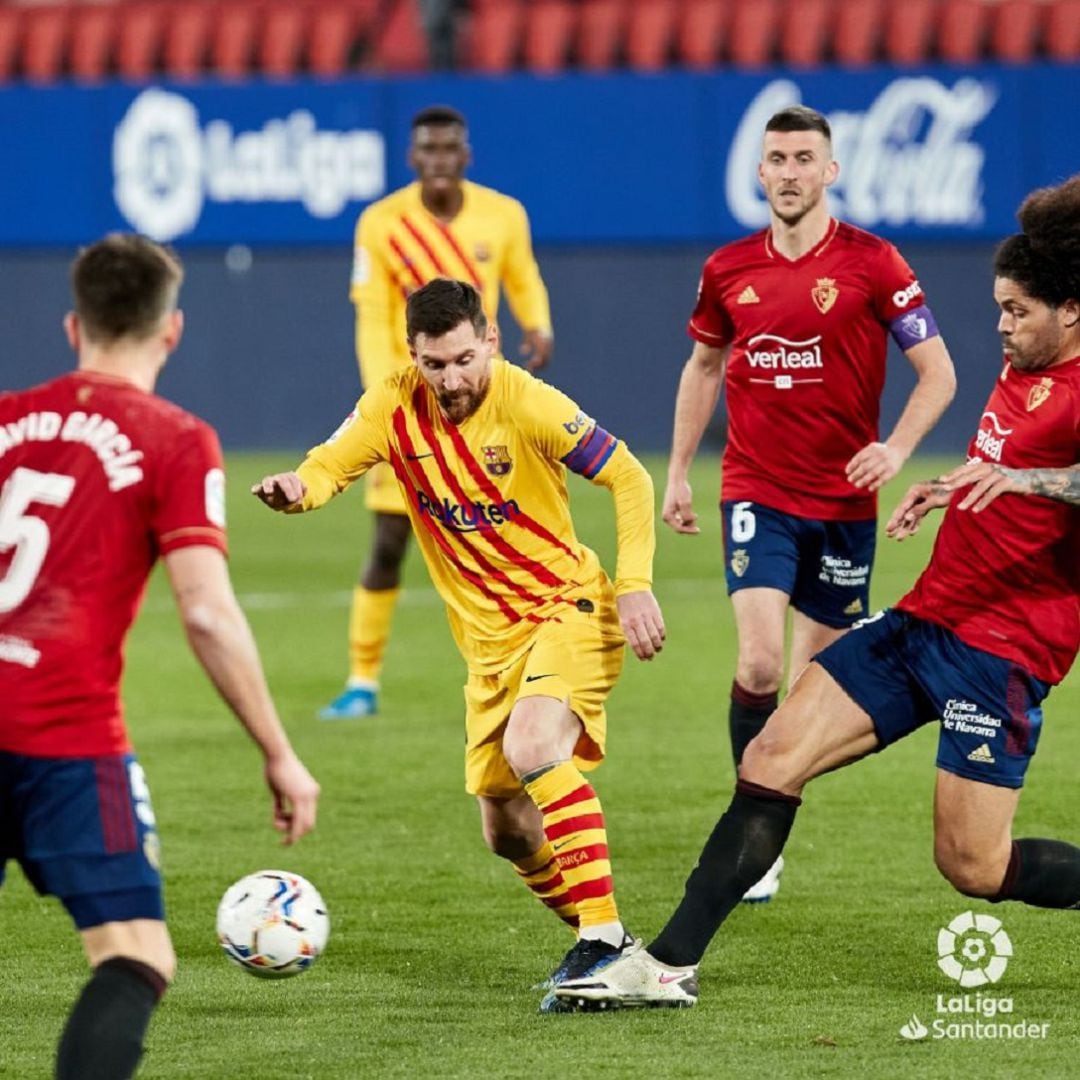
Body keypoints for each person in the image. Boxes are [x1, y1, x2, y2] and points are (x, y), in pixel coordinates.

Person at [553, 175, 1080, 1011]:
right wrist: (955, 484)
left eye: (1016, 311)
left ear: (1071, 311)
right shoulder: (1031, 368)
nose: (1002, 327)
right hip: (924, 621)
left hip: (1003, 655)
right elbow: (1015, 474)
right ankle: (665, 966)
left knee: (973, 868)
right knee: (771, 756)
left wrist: (1028, 479)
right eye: (1000, 308)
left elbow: (1050, 478)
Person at [254, 277, 662, 1011]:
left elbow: (628, 475)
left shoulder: (529, 400)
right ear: (412, 355)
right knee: (506, 830)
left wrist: (634, 583)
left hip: (567, 607)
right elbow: (330, 463)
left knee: (536, 747)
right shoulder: (391, 405)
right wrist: (299, 489)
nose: (452, 379)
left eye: (465, 360)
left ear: (492, 342)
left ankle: (601, 943)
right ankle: (619, 948)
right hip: (489, 647)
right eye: (434, 365)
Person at [0, 234, 321, 1077]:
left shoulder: (4, 419)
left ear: (74, 326)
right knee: (135, 955)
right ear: (171, 331)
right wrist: (280, 753)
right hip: (62, 735)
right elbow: (208, 613)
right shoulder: (173, 437)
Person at [662, 104, 956, 902]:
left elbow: (940, 373)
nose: (788, 173)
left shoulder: (875, 263)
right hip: (756, 487)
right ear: (759, 173)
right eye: (776, 159)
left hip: (843, 505)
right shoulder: (727, 269)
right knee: (757, 661)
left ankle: (768, 822)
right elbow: (702, 366)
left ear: (830, 172)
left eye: (803, 159)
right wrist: (681, 470)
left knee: (809, 691)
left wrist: (895, 448)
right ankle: (747, 835)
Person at [323, 104, 554, 721]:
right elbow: (372, 312)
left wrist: (539, 322)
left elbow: (522, 273)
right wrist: (388, 392)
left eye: (450, 148)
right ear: (413, 158)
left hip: (485, 404)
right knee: (390, 539)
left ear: (466, 155)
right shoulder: (382, 223)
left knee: (505, 531)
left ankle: (522, 662)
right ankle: (361, 682)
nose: (440, 159)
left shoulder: (504, 215)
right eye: (428, 149)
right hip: (412, 407)